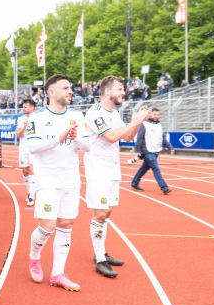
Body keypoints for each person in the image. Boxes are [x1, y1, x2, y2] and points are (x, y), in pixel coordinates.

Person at [25, 74, 90, 290]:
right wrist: (58, 138)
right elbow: (33, 147)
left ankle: (57, 273)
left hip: (70, 179)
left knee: (66, 224)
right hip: (47, 180)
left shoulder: (78, 116)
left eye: (70, 88)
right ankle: (34, 256)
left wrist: (75, 137)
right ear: (51, 92)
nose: (71, 91)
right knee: (48, 226)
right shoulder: (37, 118)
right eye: (65, 88)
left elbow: (88, 146)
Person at [84, 76, 148, 279]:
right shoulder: (95, 113)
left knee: (108, 211)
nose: (123, 92)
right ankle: (99, 259)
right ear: (107, 91)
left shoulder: (113, 113)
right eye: (120, 89)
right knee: (100, 213)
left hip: (112, 168)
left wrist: (138, 123)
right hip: (98, 168)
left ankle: (101, 252)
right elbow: (111, 136)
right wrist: (135, 121)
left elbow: (127, 137)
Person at [130, 107, 173, 194]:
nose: (156, 116)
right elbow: (140, 138)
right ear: (150, 114)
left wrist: (169, 146)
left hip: (156, 151)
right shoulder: (144, 124)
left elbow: (162, 137)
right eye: (154, 114)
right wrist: (138, 150)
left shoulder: (159, 125)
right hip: (147, 151)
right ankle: (164, 187)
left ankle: (134, 183)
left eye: (158, 114)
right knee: (156, 168)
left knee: (144, 168)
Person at [16, 98, 37, 206]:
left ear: (32, 107)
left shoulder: (38, 118)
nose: (23, 108)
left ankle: (31, 196)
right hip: (23, 148)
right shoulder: (20, 119)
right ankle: (30, 192)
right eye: (23, 106)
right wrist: (24, 126)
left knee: (32, 169)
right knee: (25, 171)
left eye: (26, 106)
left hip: (34, 148)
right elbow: (18, 134)